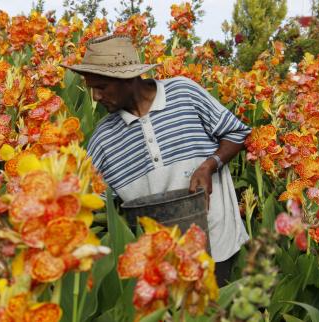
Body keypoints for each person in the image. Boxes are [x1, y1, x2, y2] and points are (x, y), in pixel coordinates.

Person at [61, 34, 251, 286]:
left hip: (216, 242)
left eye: (101, 87)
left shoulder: (184, 93)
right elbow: (86, 199)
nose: (95, 97)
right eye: (91, 88)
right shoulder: (104, 139)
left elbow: (236, 132)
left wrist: (209, 164)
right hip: (160, 264)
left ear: (127, 78)